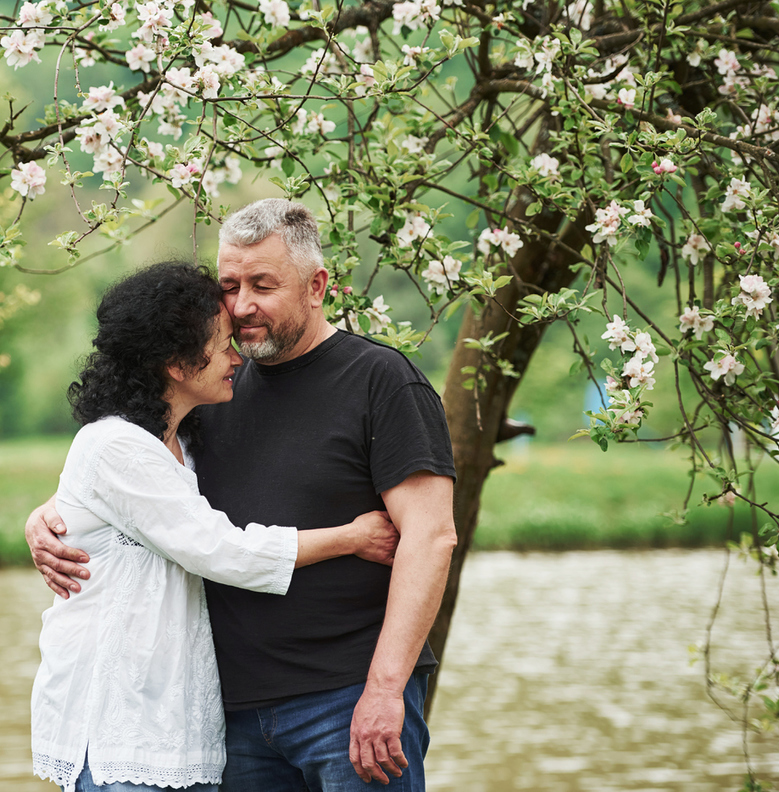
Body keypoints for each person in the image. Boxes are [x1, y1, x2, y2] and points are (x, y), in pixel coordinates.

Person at [28, 200, 458, 791]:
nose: (243, 305)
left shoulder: (381, 381)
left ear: (316, 287)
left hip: (345, 698)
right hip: (227, 717)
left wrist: (385, 688)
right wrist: (53, 517)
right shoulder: (219, 387)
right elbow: (160, 502)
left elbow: (432, 537)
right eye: (230, 285)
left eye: (263, 284)